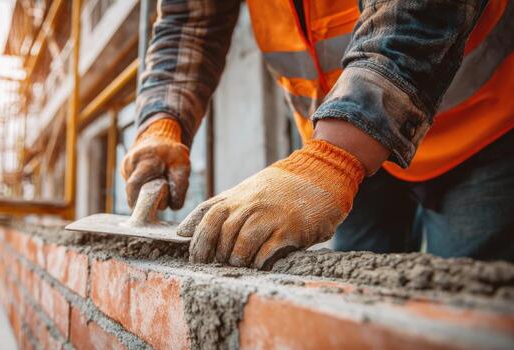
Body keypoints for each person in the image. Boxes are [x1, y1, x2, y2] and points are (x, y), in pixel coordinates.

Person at [121, 0, 514, 269]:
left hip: (479, 123)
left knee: (460, 311)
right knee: (359, 309)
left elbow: (420, 12)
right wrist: (162, 122)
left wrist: (335, 156)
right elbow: (190, 22)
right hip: (341, 144)